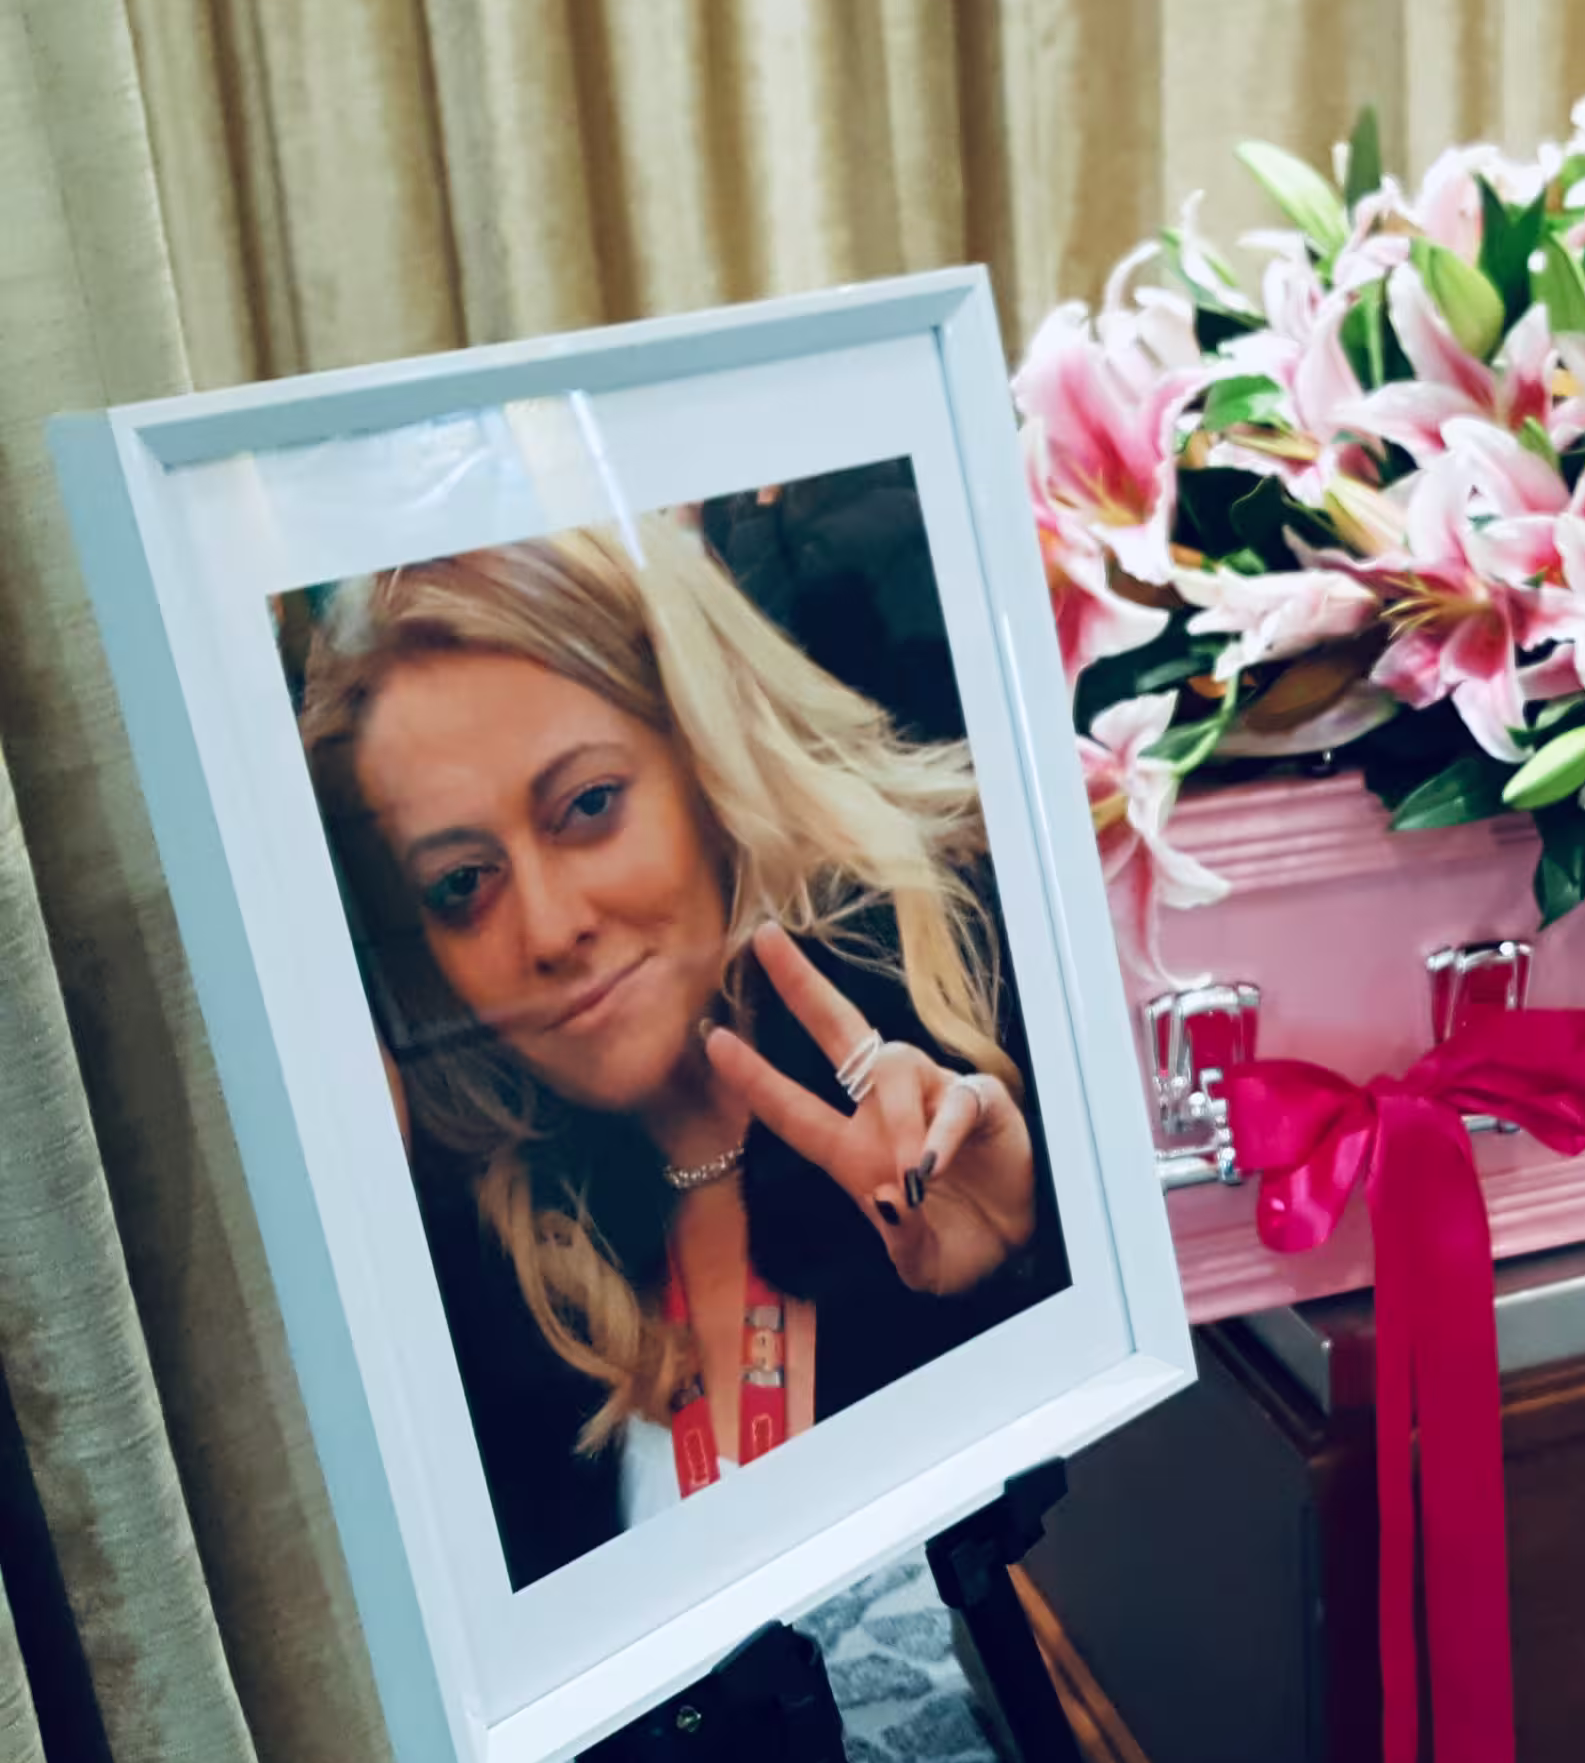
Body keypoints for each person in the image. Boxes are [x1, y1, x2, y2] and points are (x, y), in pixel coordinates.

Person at [297, 510, 1066, 1588]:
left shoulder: (994, 994)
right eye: (462, 883)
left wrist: (1029, 1249)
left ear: (707, 759)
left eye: (588, 806)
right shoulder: (481, 1275)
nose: (550, 929)